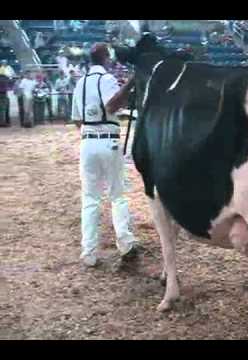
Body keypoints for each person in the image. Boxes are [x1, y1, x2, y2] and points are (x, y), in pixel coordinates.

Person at [71, 43, 139, 268]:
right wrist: (129, 84)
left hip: (87, 142)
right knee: (117, 195)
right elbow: (111, 105)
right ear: (105, 58)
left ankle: (88, 252)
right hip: (108, 141)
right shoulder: (107, 79)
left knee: (90, 199)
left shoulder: (80, 83)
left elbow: (77, 119)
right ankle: (126, 244)